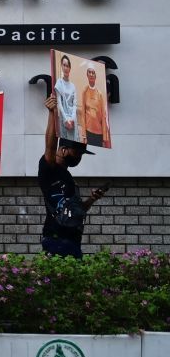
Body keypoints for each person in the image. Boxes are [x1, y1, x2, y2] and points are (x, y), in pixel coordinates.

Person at [39, 94, 106, 258]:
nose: (79, 157)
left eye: (81, 154)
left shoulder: (68, 177)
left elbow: (77, 211)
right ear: (62, 150)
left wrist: (91, 199)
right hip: (56, 240)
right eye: (76, 152)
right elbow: (50, 145)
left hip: (73, 242)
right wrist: (52, 114)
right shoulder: (49, 168)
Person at [81, 65, 110, 147]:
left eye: (93, 72)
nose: (91, 74)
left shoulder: (100, 94)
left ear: (95, 76)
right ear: (87, 75)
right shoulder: (84, 91)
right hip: (88, 131)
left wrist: (104, 137)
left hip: (99, 133)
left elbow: (104, 117)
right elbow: (83, 114)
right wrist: (84, 135)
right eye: (89, 72)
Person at [54, 54, 78, 142]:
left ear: (70, 68)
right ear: (61, 66)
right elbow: (59, 103)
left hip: (73, 118)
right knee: (64, 142)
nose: (65, 68)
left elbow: (75, 104)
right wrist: (66, 120)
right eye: (64, 65)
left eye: (67, 66)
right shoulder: (59, 83)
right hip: (63, 117)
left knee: (73, 143)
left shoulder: (73, 86)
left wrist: (72, 119)